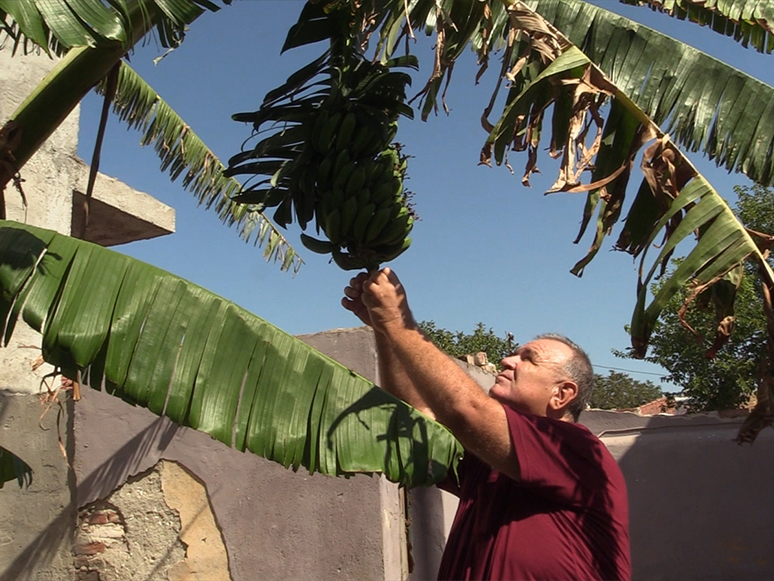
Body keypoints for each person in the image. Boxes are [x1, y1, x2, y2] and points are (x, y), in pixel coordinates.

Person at [342, 268, 631, 581]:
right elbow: (416, 421)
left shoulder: (579, 452)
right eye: (513, 354)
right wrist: (385, 332)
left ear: (561, 394)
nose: (508, 360)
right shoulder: (489, 464)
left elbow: (467, 412)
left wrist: (399, 321)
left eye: (528, 358)